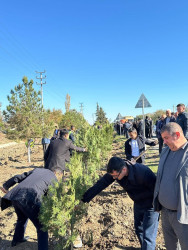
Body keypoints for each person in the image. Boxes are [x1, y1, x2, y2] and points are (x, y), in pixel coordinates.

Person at [82, 157, 159, 250]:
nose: (114, 178)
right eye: (113, 176)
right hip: (138, 202)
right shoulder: (116, 171)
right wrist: (84, 199)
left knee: (148, 235)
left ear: (124, 169)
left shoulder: (143, 173)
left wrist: (158, 208)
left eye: (115, 176)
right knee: (139, 229)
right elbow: (100, 184)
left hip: (151, 205)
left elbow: (157, 190)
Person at [0, 167, 63, 249]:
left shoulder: (38, 170)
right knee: (42, 227)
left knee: (22, 218)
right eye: (60, 178)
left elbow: (20, 177)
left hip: (15, 195)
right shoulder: (54, 179)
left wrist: (6, 185)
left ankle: (17, 240)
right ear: (58, 174)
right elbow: (50, 198)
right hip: (29, 197)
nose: (59, 180)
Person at [153, 122, 188, 250]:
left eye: (166, 138)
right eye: (163, 139)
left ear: (177, 135)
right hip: (165, 212)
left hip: (183, 216)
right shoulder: (166, 151)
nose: (164, 142)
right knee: (171, 246)